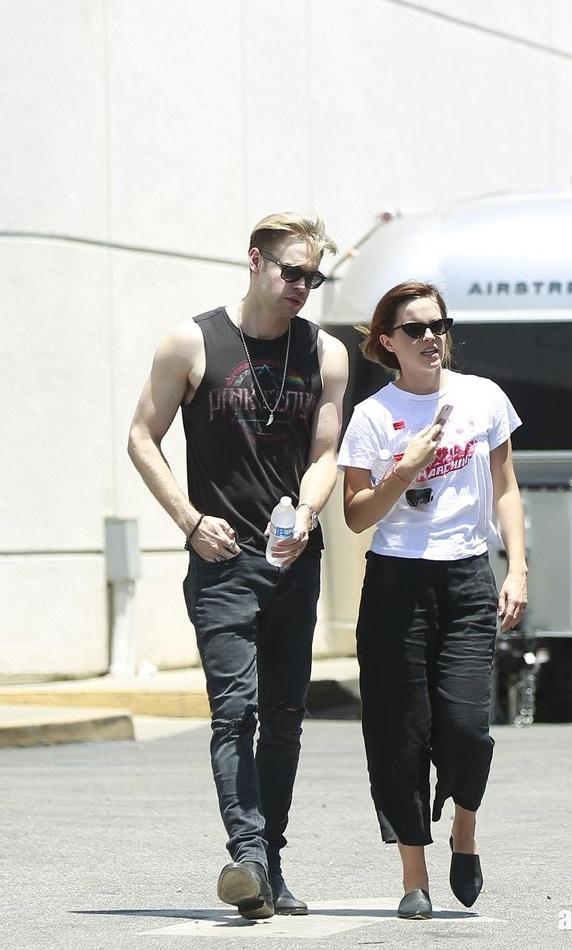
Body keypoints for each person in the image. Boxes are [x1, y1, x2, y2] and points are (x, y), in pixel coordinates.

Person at [128, 212, 348, 919]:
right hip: (222, 562)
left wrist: (308, 511)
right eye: (292, 272)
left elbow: (325, 453)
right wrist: (190, 522)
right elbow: (141, 437)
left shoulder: (325, 352)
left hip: (294, 560)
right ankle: (247, 856)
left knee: (284, 717)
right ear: (255, 261)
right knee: (235, 713)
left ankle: (268, 865)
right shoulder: (192, 341)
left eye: (313, 277)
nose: (302, 286)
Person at [337, 281, 527, 920]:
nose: (430, 338)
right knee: (401, 733)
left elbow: (505, 486)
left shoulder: (483, 397)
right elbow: (357, 515)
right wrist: (405, 468)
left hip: (467, 578)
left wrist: (517, 567)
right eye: (414, 329)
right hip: (396, 584)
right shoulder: (372, 416)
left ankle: (464, 830)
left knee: (467, 727)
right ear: (387, 343)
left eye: (438, 325)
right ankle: (413, 875)